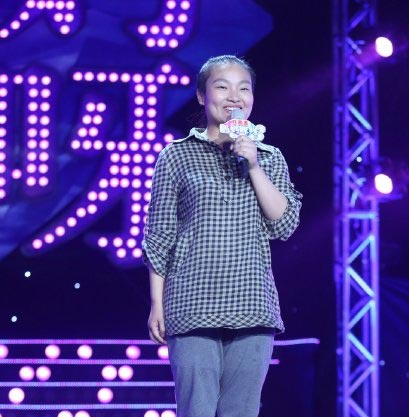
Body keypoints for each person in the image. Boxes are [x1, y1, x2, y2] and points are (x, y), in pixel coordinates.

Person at [142, 55, 302, 417]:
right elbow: (159, 236)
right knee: (196, 410)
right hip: (191, 304)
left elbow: (284, 224)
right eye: (222, 87)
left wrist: (254, 165)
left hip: (252, 304)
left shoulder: (269, 157)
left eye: (243, 88)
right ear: (202, 96)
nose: (234, 96)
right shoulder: (177, 156)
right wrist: (157, 303)